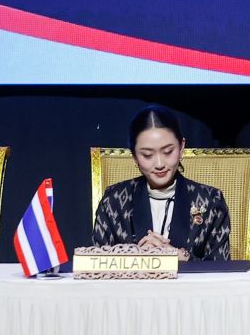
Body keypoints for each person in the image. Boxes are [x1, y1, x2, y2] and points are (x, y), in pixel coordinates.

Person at [91, 105, 231, 260]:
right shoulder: (114, 201)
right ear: (134, 156)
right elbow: (97, 264)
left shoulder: (211, 201)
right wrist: (134, 259)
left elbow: (221, 271)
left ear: (181, 147)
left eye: (168, 152)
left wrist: (182, 257)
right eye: (147, 155)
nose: (159, 163)